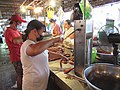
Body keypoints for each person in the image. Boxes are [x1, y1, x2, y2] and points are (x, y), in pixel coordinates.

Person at [20, 20, 68, 90]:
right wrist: (54, 40)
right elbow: (34, 50)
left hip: (40, 85)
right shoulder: (27, 44)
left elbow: (46, 53)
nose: (42, 34)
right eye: (42, 32)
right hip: (32, 86)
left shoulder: (35, 44)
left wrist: (61, 56)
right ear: (34, 31)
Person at [4, 14, 26, 90]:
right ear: (14, 22)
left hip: (20, 54)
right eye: (19, 22)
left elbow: (22, 38)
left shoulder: (15, 31)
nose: (20, 24)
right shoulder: (9, 31)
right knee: (20, 74)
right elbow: (16, 41)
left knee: (23, 74)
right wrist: (25, 36)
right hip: (16, 56)